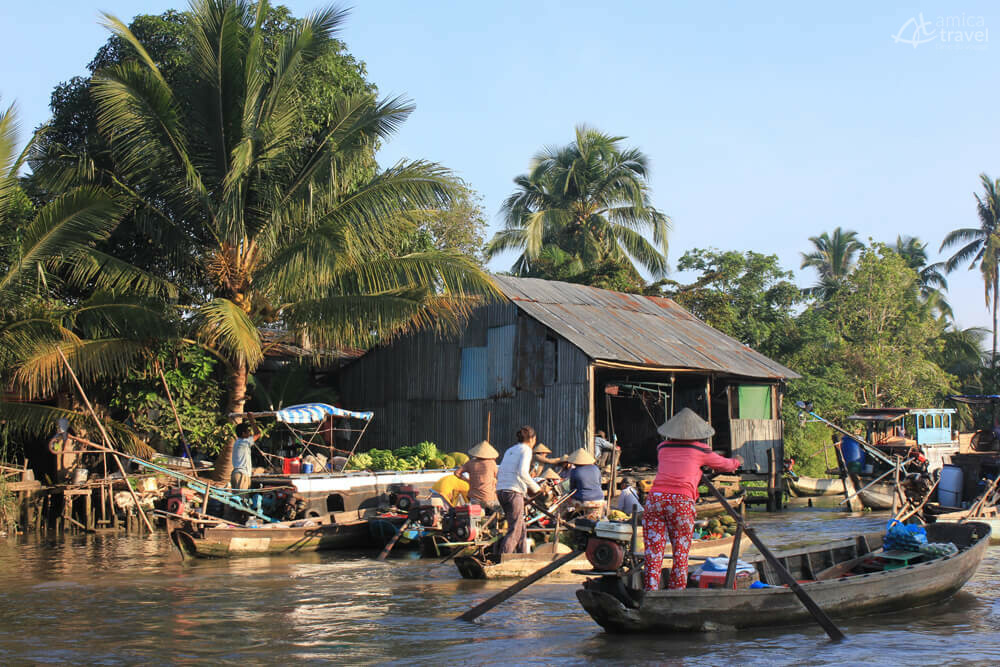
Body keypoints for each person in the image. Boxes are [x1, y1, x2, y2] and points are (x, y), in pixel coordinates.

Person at [643, 408, 741, 592]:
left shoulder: (662, 448)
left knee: (653, 552)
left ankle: (650, 591)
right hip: (680, 501)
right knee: (680, 551)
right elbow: (725, 465)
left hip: (655, 499)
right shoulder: (700, 449)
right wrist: (737, 461)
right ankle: (677, 592)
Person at [496, 425, 542, 554]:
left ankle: (523, 556)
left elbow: (500, 473)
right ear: (533, 439)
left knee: (521, 528)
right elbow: (522, 472)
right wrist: (537, 488)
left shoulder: (510, 450)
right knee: (515, 529)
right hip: (513, 492)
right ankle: (503, 559)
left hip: (501, 491)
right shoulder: (526, 450)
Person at [457, 440, 500, 512]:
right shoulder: (492, 463)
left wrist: (468, 480)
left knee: (476, 519)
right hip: (490, 498)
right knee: (499, 515)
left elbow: (457, 473)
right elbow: (499, 477)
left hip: (474, 499)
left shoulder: (470, 463)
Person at [566, 447, 604, 520]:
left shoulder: (574, 471)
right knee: (595, 519)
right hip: (599, 499)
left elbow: (572, 489)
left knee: (564, 503)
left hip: (584, 501)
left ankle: (561, 521)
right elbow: (599, 484)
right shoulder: (596, 468)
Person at [230, 417, 262, 490]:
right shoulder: (244, 442)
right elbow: (258, 433)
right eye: (248, 431)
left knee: (237, 499)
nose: (250, 433)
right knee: (241, 499)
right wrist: (251, 420)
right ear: (243, 433)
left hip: (236, 474)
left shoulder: (237, 442)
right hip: (242, 475)